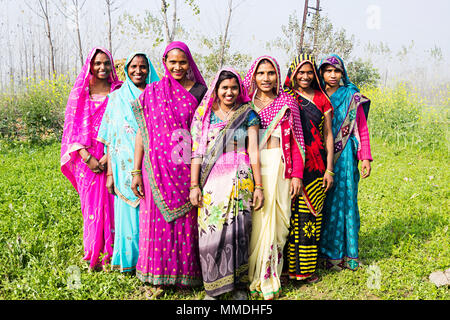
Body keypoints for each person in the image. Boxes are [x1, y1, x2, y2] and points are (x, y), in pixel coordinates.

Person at [130, 42, 207, 294]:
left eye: (182, 62)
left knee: (187, 224)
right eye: (172, 62)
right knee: (157, 223)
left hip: (187, 169)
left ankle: (186, 278)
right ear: (164, 62)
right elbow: (142, 132)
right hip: (155, 169)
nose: (177, 67)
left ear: (189, 63)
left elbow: (205, 131)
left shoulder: (200, 91)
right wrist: (136, 170)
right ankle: (157, 278)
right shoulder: (153, 91)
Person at [190, 68, 264, 300]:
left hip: (241, 182)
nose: (229, 92)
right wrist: (194, 185)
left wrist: (259, 186)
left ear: (240, 89)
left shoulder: (248, 114)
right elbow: (197, 153)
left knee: (239, 230)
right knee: (210, 230)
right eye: (225, 88)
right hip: (212, 183)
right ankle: (213, 288)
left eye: (234, 88)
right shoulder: (204, 115)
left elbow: (253, 151)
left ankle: (238, 287)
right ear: (216, 89)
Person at [243, 56, 305, 300]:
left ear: (278, 76)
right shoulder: (245, 104)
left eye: (271, 73)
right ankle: (252, 276)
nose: (266, 78)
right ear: (254, 76)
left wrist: (297, 175)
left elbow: (299, 141)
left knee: (279, 224)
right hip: (252, 168)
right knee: (256, 222)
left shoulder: (287, 102)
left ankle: (270, 277)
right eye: (261, 73)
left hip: (281, 168)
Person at [97, 52, 159, 273]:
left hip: (153, 164)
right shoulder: (117, 98)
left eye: (143, 67)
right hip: (123, 167)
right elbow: (111, 139)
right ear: (127, 69)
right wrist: (111, 175)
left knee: (151, 212)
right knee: (127, 216)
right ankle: (129, 261)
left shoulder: (158, 94)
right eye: (134, 66)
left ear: (149, 69)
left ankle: (149, 260)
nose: (138, 71)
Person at [60, 47, 122, 271]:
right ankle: (93, 253)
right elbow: (72, 129)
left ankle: (113, 253)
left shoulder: (119, 90)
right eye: (97, 63)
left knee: (114, 204)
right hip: (86, 158)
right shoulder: (81, 92)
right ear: (90, 65)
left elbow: (124, 126)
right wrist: (88, 158)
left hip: (113, 154)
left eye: (106, 63)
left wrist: (108, 156)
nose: (102, 67)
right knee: (91, 206)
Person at [317, 54, 372, 271]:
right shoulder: (317, 94)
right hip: (321, 156)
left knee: (347, 199)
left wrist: (365, 156)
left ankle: (347, 254)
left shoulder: (351, 95)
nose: (332, 75)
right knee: (325, 202)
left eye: (336, 71)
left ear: (343, 73)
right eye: (328, 70)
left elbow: (362, 128)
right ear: (321, 72)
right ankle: (324, 253)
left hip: (346, 156)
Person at [283, 53, 334, 283]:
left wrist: (329, 169)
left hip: (316, 165)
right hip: (289, 164)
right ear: (293, 72)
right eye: (300, 72)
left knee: (310, 218)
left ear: (315, 74)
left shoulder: (322, 99)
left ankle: (305, 270)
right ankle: (285, 268)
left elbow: (328, 134)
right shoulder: (285, 96)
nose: (304, 76)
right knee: (287, 217)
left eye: (309, 72)